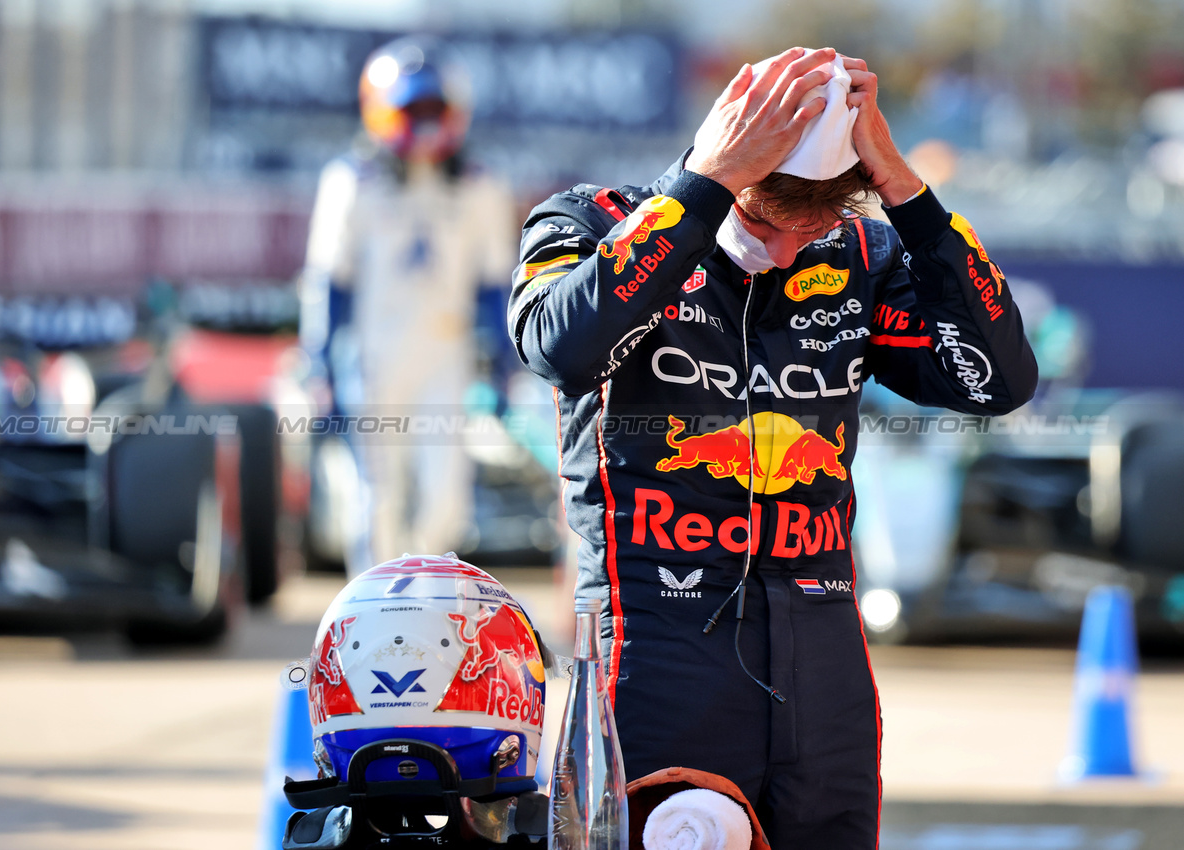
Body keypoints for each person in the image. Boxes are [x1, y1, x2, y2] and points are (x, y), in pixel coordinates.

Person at [507, 47, 1038, 849]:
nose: (789, 249)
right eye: (764, 221)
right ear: (723, 154)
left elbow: (995, 380)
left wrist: (905, 192)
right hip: (656, 640)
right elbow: (561, 350)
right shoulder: (589, 222)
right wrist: (702, 191)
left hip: (822, 653)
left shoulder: (860, 255)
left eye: (812, 226)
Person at [299, 36, 517, 575]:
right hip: (376, 358)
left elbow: (496, 286)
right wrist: (319, 366)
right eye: (411, 109)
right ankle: (370, 607)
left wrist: (504, 366)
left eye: (433, 109)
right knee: (376, 496)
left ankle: (420, 590)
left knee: (448, 504)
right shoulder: (351, 182)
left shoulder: (481, 188)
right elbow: (328, 282)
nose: (424, 123)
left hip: (446, 357)